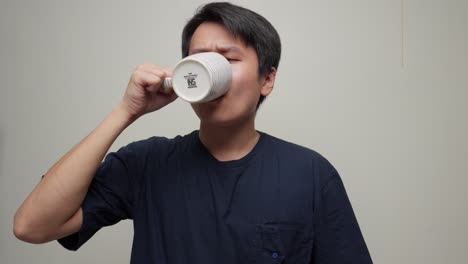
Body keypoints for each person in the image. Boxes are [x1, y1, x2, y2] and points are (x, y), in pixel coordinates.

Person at [14, 2, 373, 263]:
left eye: (228, 60)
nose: (209, 72)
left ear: (267, 79)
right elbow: (31, 226)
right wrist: (125, 112)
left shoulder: (310, 174)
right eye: (199, 59)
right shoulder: (147, 163)